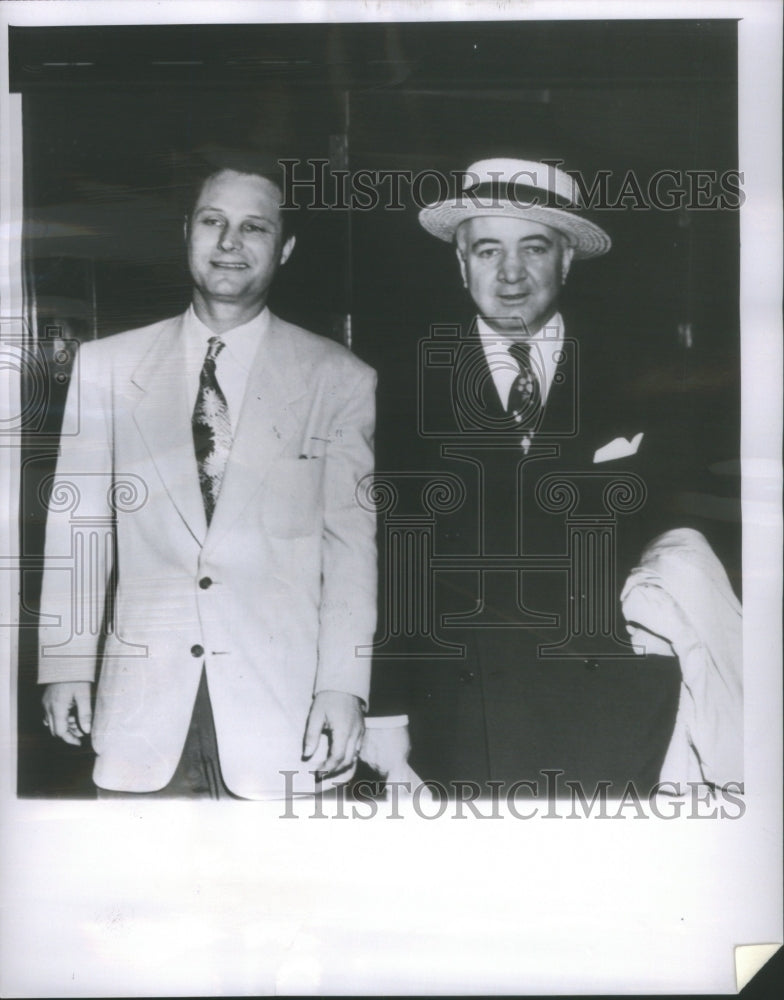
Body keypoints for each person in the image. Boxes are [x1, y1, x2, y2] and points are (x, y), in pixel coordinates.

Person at [367, 157, 740, 797]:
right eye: (488, 250)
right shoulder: (403, 386)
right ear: (461, 264)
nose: (510, 274)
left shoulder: (634, 373)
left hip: (612, 703)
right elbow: (391, 557)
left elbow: (668, 529)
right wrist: (386, 710)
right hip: (462, 710)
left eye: (533, 248)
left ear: (566, 259)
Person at [38, 158, 377, 799]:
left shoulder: (340, 378)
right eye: (213, 221)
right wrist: (65, 663)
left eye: (255, 228)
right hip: (141, 709)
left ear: (286, 249)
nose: (229, 243)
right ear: (185, 231)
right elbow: (78, 527)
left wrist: (343, 685)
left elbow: (351, 548)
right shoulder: (107, 367)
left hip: (282, 706)